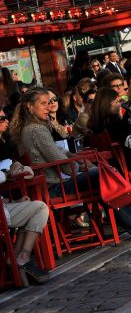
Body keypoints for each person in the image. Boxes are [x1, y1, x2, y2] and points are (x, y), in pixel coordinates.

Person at [11, 88, 131, 240]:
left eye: (49, 102)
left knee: (103, 174)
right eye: (43, 103)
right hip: (54, 187)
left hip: (45, 186)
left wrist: (73, 157)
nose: (48, 107)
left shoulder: (28, 129)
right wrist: (80, 164)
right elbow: (64, 165)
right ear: (30, 107)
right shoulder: (37, 130)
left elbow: (56, 151)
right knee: (104, 174)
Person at [0, 106, 50, 285]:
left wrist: (12, 199)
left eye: (6, 117)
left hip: (4, 205)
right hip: (2, 212)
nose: (6, 120)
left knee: (30, 206)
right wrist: (8, 172)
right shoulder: (35, 129)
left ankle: (15, 257)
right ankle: (22, 256)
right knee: (40, 208)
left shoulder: (6, 142)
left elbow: (25, 169)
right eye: (1, 119)